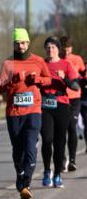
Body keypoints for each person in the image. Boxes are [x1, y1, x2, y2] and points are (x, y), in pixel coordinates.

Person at [0, 28, 51, 199]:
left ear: (28, 43)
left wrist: (38, 80)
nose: (20, 46)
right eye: (17, 43)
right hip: (14, 112)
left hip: (33, 111)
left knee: (30, 148)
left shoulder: (38, 61)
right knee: (18, 149)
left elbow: (48, 79)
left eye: (23, 43)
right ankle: (20, 174)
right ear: (13, 44)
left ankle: (26, 183)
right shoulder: (7, 63)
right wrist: (12, 81)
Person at [40, 36, 79, 188]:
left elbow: (76, 87)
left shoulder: (66, 64)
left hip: (62, 105)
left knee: (59, 142)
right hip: (45, 106)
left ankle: (57, 174)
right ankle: (46, 171)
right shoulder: (40, 64)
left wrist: (65, 79)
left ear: (58, 49)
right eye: (48, 47)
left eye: (53, 47)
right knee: (47, 139)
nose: (50, 50)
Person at [59, 36, 85, 172]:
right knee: (61, 131)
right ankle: (62, 159)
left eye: (68, 51)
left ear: (72, 49)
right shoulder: (57, 60)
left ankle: (72, 160)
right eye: (64, 52)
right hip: (61, 99)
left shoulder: (77, 59)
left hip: (75, 98)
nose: (66, 55)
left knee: (72, 127)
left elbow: (83, 73)